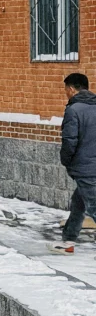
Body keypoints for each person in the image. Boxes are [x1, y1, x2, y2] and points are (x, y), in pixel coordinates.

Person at [60, 72, 96, 242]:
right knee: (79, 203)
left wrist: (66, 160)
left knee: (93, 206)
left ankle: (68, 238)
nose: (66, 93)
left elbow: (70, 141)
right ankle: (69, 238)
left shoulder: (73, 110)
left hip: (85, 167)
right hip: (91, 165)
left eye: (66, 90)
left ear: (72, 89)